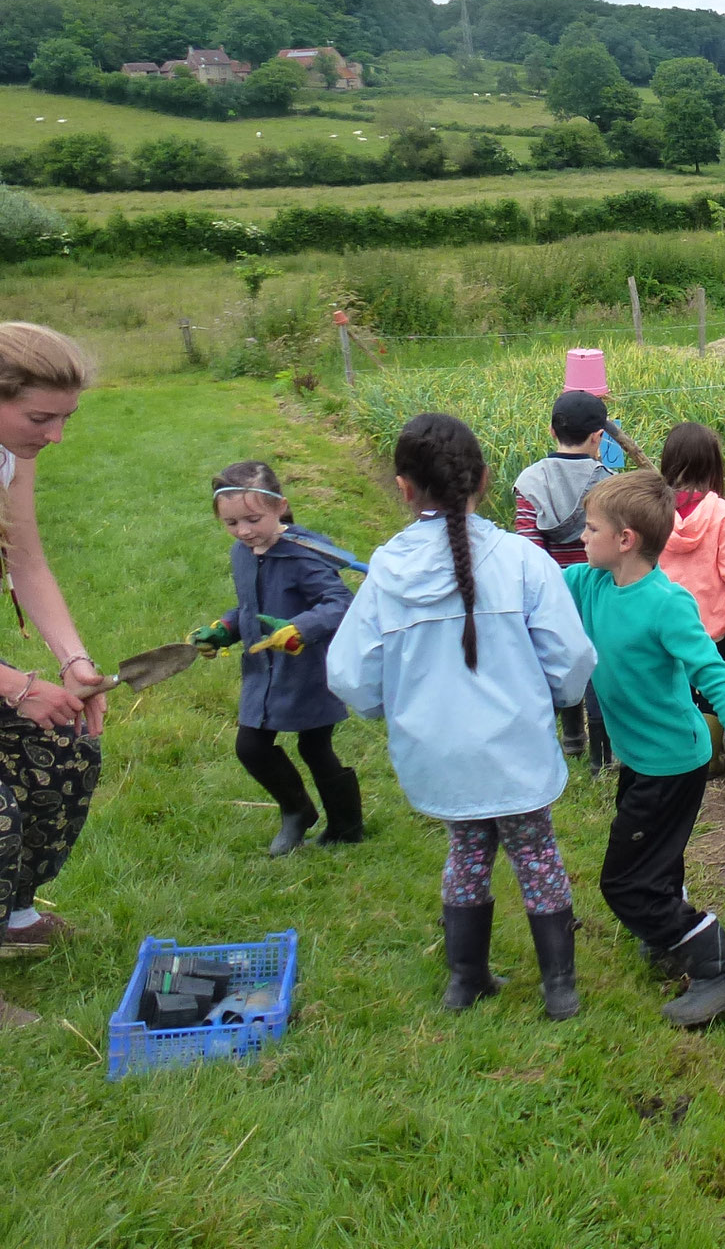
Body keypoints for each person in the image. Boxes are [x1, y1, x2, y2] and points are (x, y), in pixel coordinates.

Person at [328, 413, 597, 1021]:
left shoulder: (386, 573)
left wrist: (383, 709)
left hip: (439, 755)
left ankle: (465, 981)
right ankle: (561, 991)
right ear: (483, 479)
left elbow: (348, 671)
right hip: (515, 748)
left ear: (403, 488)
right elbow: (573, 656)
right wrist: (555, 699)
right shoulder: (525, 563)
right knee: (537, 856)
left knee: (468, 854)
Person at [561, 469, 725, 1028]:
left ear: (626, 540)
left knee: (623, 883)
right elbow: (529, 583)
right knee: (656, 862)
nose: (580, 538)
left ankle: (721, 967)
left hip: (673, 763)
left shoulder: (666, 604)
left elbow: (717, 679)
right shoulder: (591, 585)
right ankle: (667, 939)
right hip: (640, 758)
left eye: (590, 529)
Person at [0, 324, 105, 1026]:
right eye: (41, 417)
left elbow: (24, 558)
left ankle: (12, 917)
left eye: (67, 418)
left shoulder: (10, 455)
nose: (57, 436)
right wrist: (15, 686)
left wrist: (72, 661)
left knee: (65, 753)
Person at [191, 461, 362, 855]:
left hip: (306, 670)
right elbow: (248, 607)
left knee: (315, 749)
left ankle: (347, 825)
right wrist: (225, 628)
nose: (244, 531)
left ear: (280, 507)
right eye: (231, 524)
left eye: (253, 519)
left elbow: (340, 603)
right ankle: (297, 810)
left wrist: (300, 629)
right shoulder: (243, 553)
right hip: (262, 671)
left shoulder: (303, 555)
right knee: (251, 747)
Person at [513, 389, 612, 768]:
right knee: (596, 667)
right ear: (598, 437)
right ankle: (601, 757)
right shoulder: (608, 482)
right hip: (596, 591)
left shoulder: (530, 480)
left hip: (552, 595)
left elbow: (530, 548)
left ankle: (572, 738)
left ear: (552, 431)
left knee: (562, 659)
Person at [655, 422, 725, 774]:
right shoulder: (722, 513)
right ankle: (707, 763)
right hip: (709, 626)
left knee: (670, 689)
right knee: (709, 692)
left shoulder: (655, 510)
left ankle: (672, 755)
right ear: (712, 465)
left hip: (663, 623)